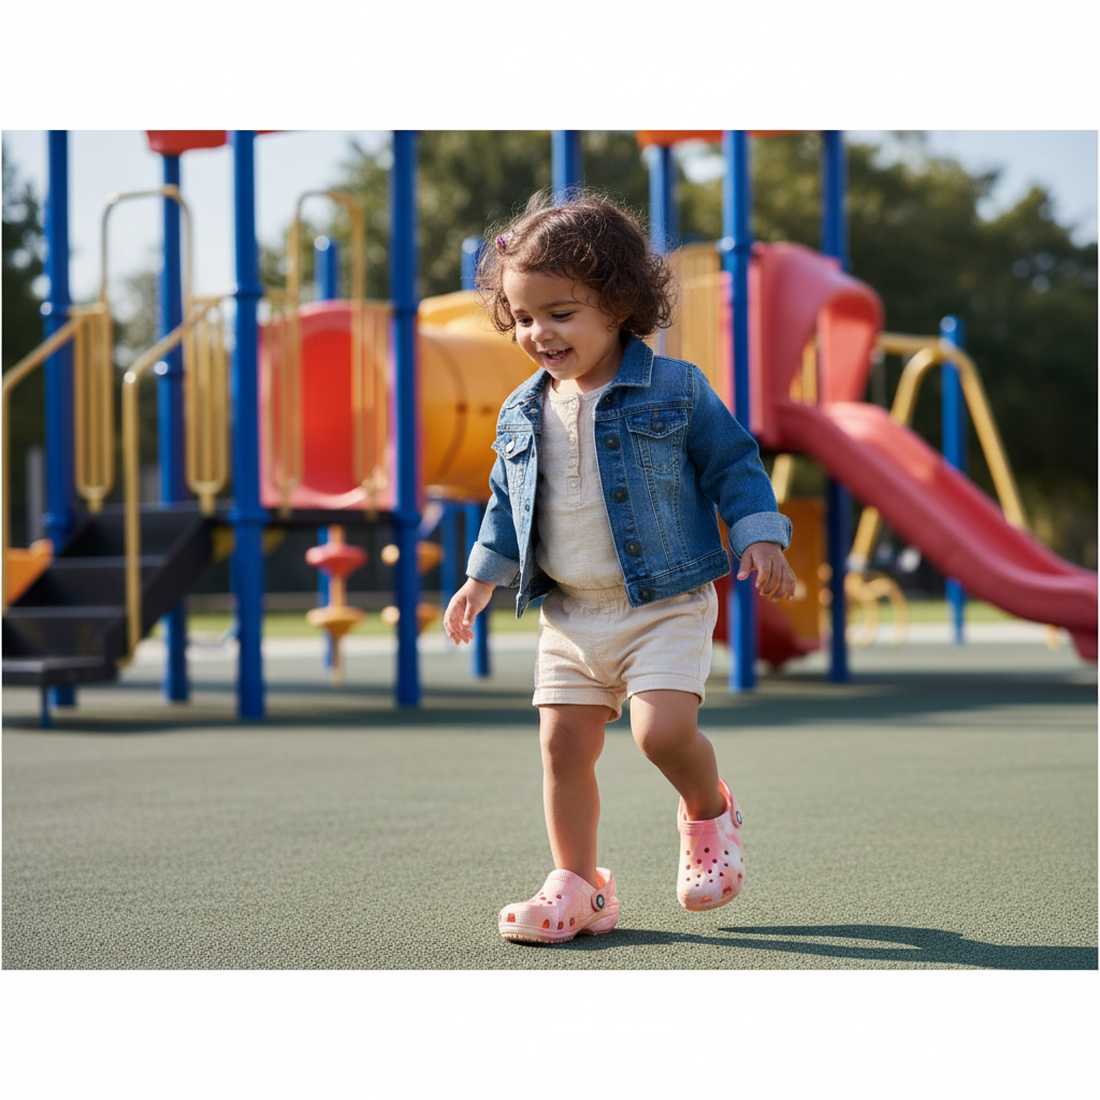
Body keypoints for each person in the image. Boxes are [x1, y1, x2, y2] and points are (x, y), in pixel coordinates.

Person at [443, 190, 796, 944]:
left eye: (560, 313)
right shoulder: (520, 411)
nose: (539, 333)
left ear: (619, 303)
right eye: (524, 317)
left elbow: (735, 464)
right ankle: (579, 885)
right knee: (562, 745)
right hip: (570, 613)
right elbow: (506, 503)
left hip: (662, 601)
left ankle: (708, 810)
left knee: (660, 733)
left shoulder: (676, 389)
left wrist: (759, 534)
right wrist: (480, 577)